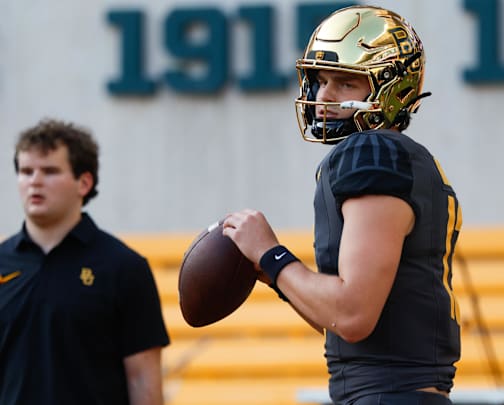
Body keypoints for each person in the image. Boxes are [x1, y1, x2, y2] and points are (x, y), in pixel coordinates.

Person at [222, 5, 462, 405]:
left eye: (347, 83)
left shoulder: (372, 152)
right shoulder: (401, 157)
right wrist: (281, 277)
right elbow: (356, 329)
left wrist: (272, 253)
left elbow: (352, 315)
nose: (324, 96)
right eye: (320, 80)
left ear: (391, 88)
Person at [0, 119, 170, 405]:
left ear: (84, 182)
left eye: (50, 171)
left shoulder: (124, 267)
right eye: (26, 171)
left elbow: (143, 379)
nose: (35, 181)